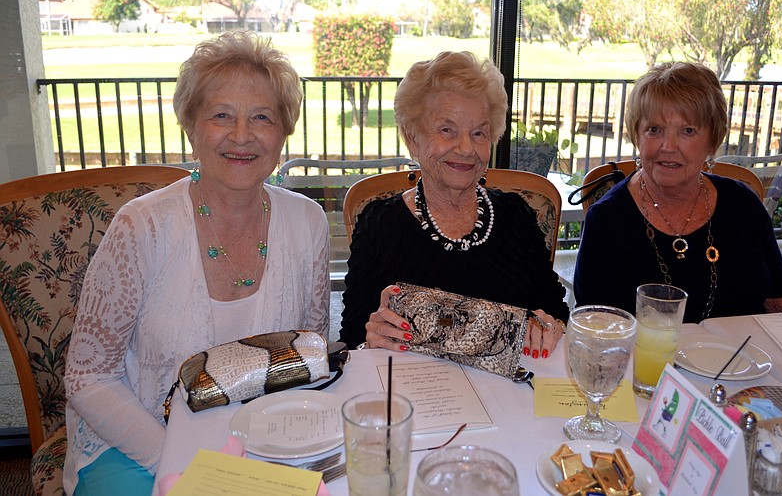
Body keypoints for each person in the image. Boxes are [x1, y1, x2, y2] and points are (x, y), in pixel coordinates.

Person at [63, 31, 330, 495]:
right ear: (190, 127)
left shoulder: (307, 221)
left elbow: (310, 352)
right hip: (137, 440)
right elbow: (89, 377)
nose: (242, 136)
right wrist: (182, 462)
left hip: (260, 438)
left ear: (284, 132)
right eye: (221, 115)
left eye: (262, 117)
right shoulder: (142, 226)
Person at [339, 51, 569, 359]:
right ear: (412, 138)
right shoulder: (380, 225)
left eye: (478, 133)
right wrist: (371, 337)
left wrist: (548, 326)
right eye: (447, 130)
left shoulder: (517, 216)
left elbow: (555, 312)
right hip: (417, 399)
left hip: (505, 399)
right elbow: (352, 336)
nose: (465, 148)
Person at [573, 61, 782, 323]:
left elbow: (780, 302)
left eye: (688, 131)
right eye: (654, 129)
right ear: (637, 135)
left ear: (713, 139)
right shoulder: (608, 219)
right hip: (647, 363)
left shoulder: (743, 205)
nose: (668, 146)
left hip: (748, 360)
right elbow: (595, 327)